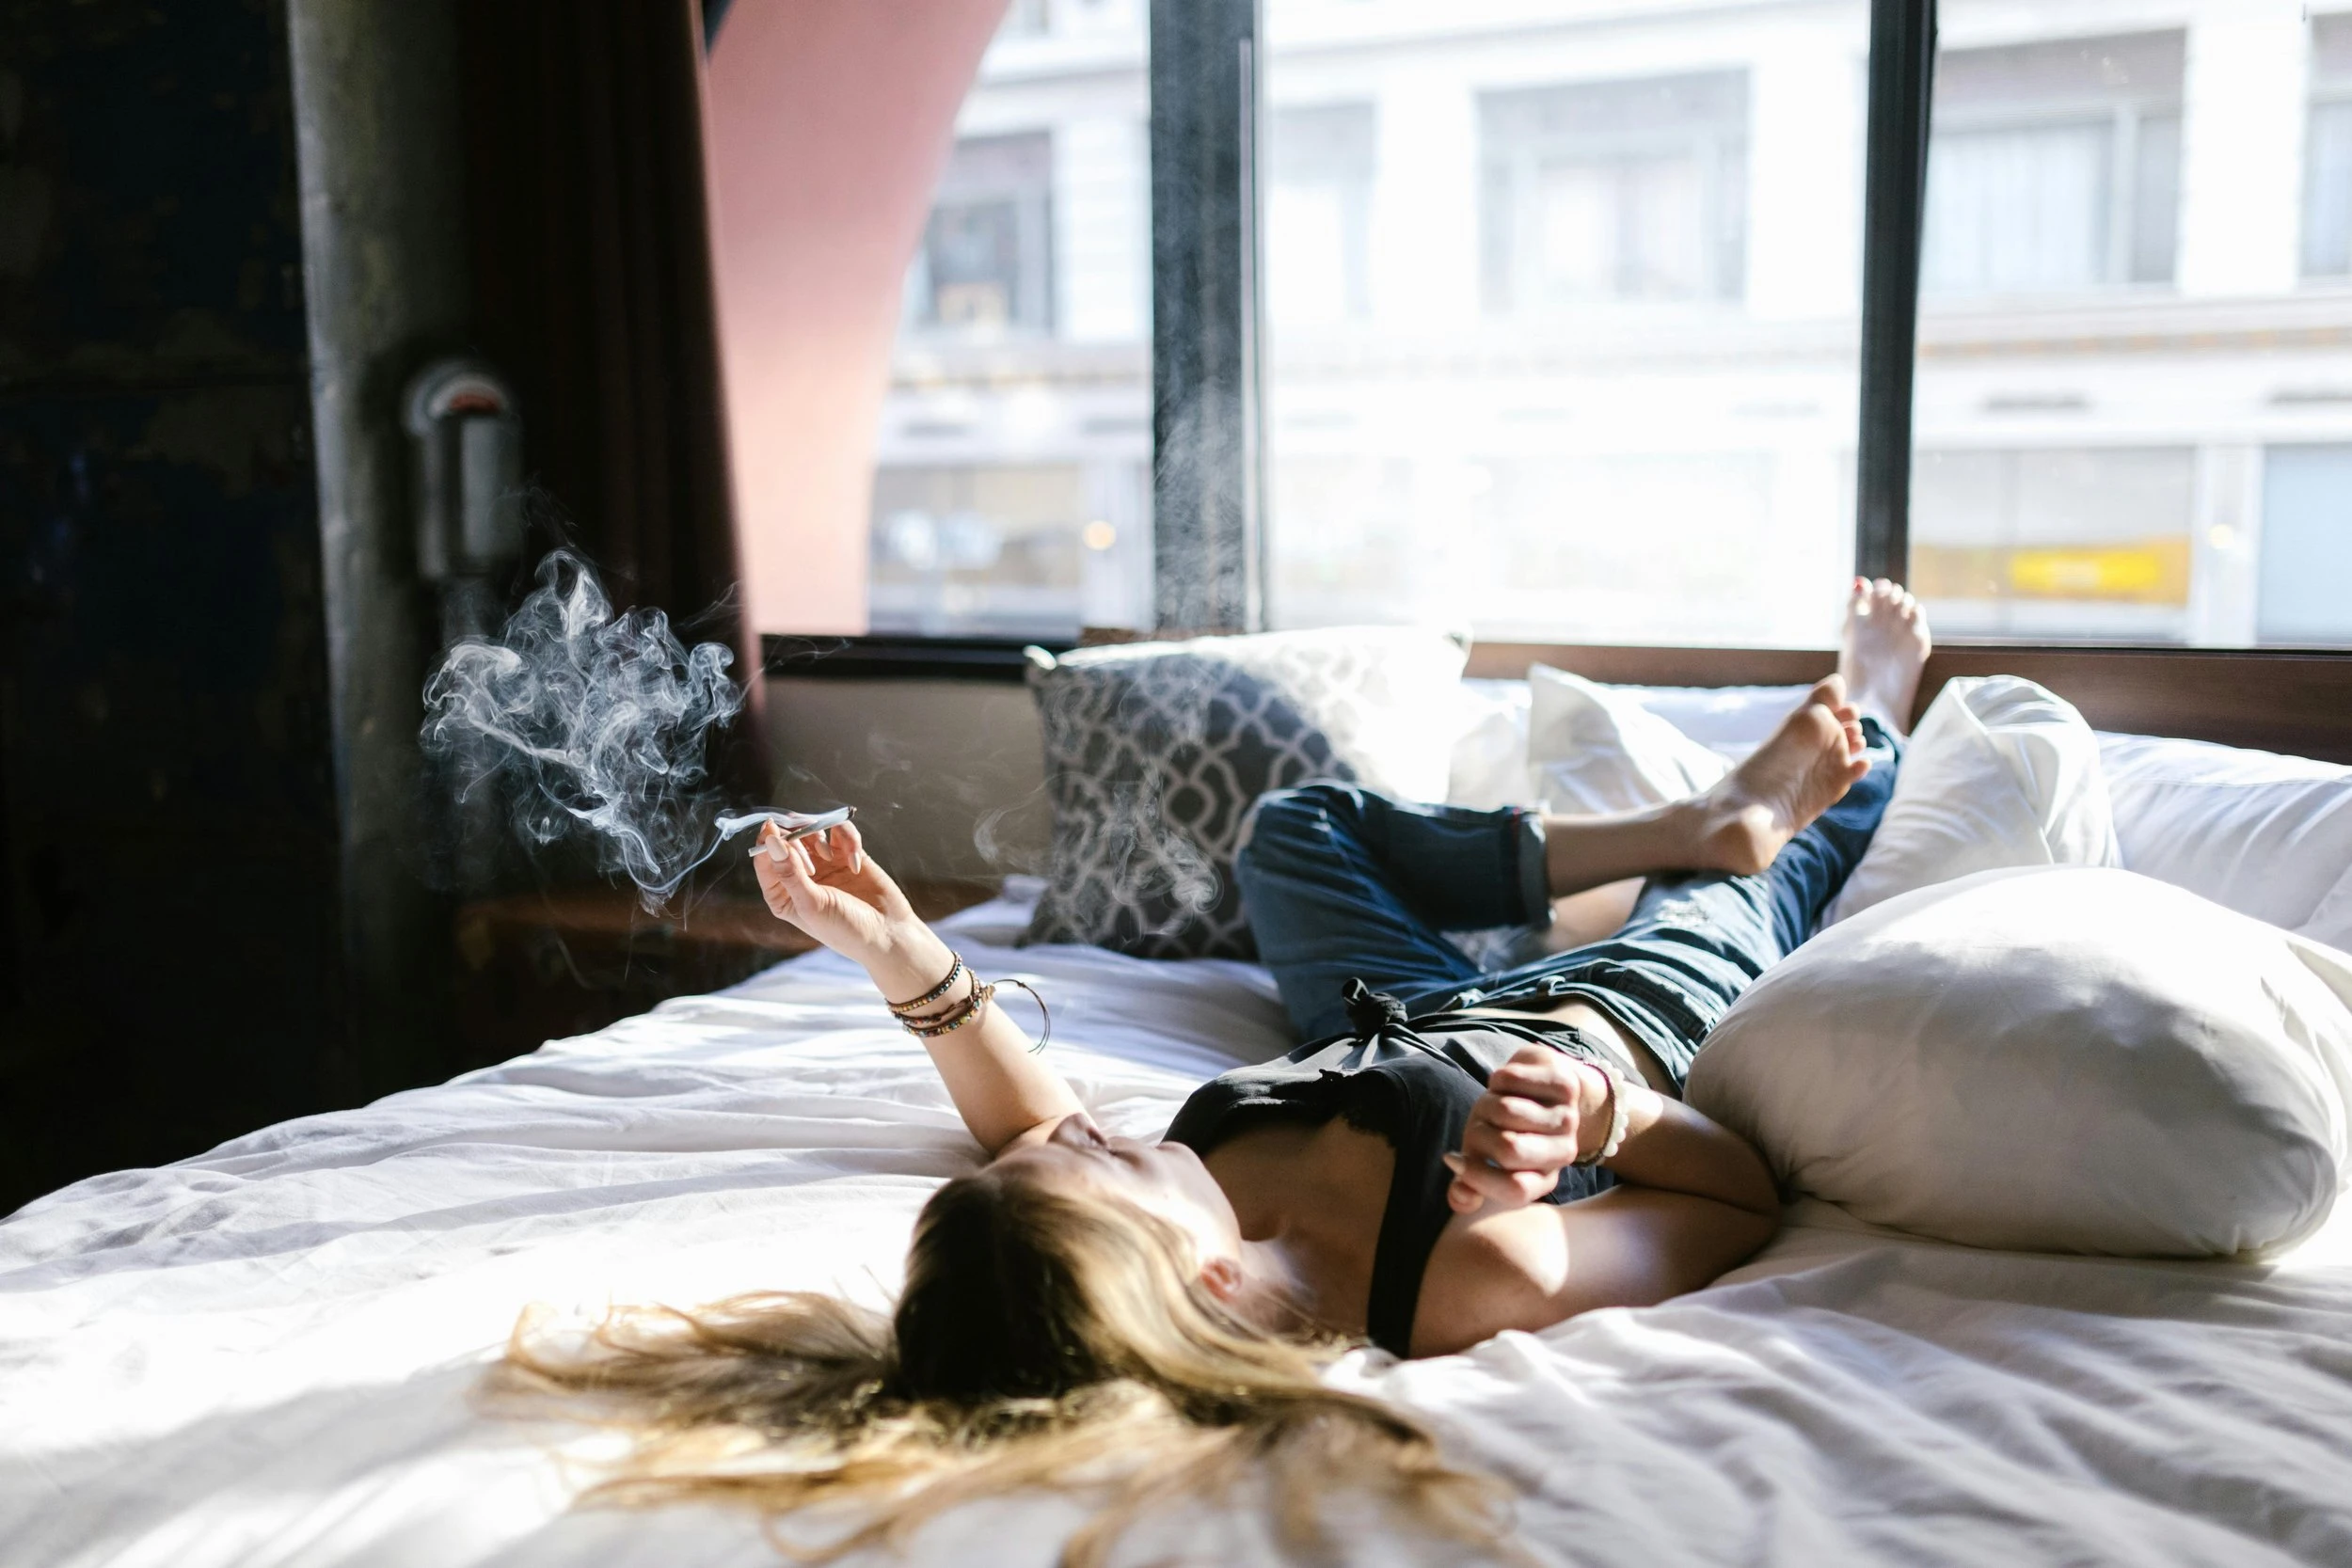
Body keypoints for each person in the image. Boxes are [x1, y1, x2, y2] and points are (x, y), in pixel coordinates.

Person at [493, 580, 1933, 1564]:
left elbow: (1039, 1120)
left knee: (1292, 833)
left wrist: (896, 948)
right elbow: (1738, 1199)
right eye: (1104, 1164)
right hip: (1626, 1012)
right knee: (1772, 879)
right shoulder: (1466, 1272)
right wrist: (1613, 1109)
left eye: (1074, 1154)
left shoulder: (1185, 1209)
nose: (1091, 1134)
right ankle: (1850, 732)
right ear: (1211, 1290)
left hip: (1412, 1005)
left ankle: (1690, 816)